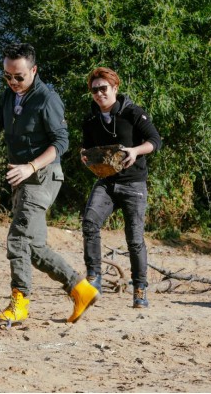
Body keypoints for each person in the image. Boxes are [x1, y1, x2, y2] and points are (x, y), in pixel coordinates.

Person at [0, 42, 99, 324]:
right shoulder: (8, 95)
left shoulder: (47, 99)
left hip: (42, 176)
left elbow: (61, 142)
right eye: (7, 76)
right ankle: (80, 288)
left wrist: (30, 167)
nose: (12, 82)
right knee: (34, 249)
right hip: (24, 179)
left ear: (34, 70)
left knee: (17, 238)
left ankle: (20, 303)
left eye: (19, 77)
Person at [80, 67, 162, 308]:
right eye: (94, 90)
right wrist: (84, 156)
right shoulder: (90, 119)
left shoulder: (134, 113)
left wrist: (135, 151)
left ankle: (139, 290)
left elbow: (155, 141)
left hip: (134, 184)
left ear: (115, 88)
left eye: (103, 88)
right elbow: (85, 148)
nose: (98, 94)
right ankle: (94, 278)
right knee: (89, 222)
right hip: (106, 182)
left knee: (134, 240)